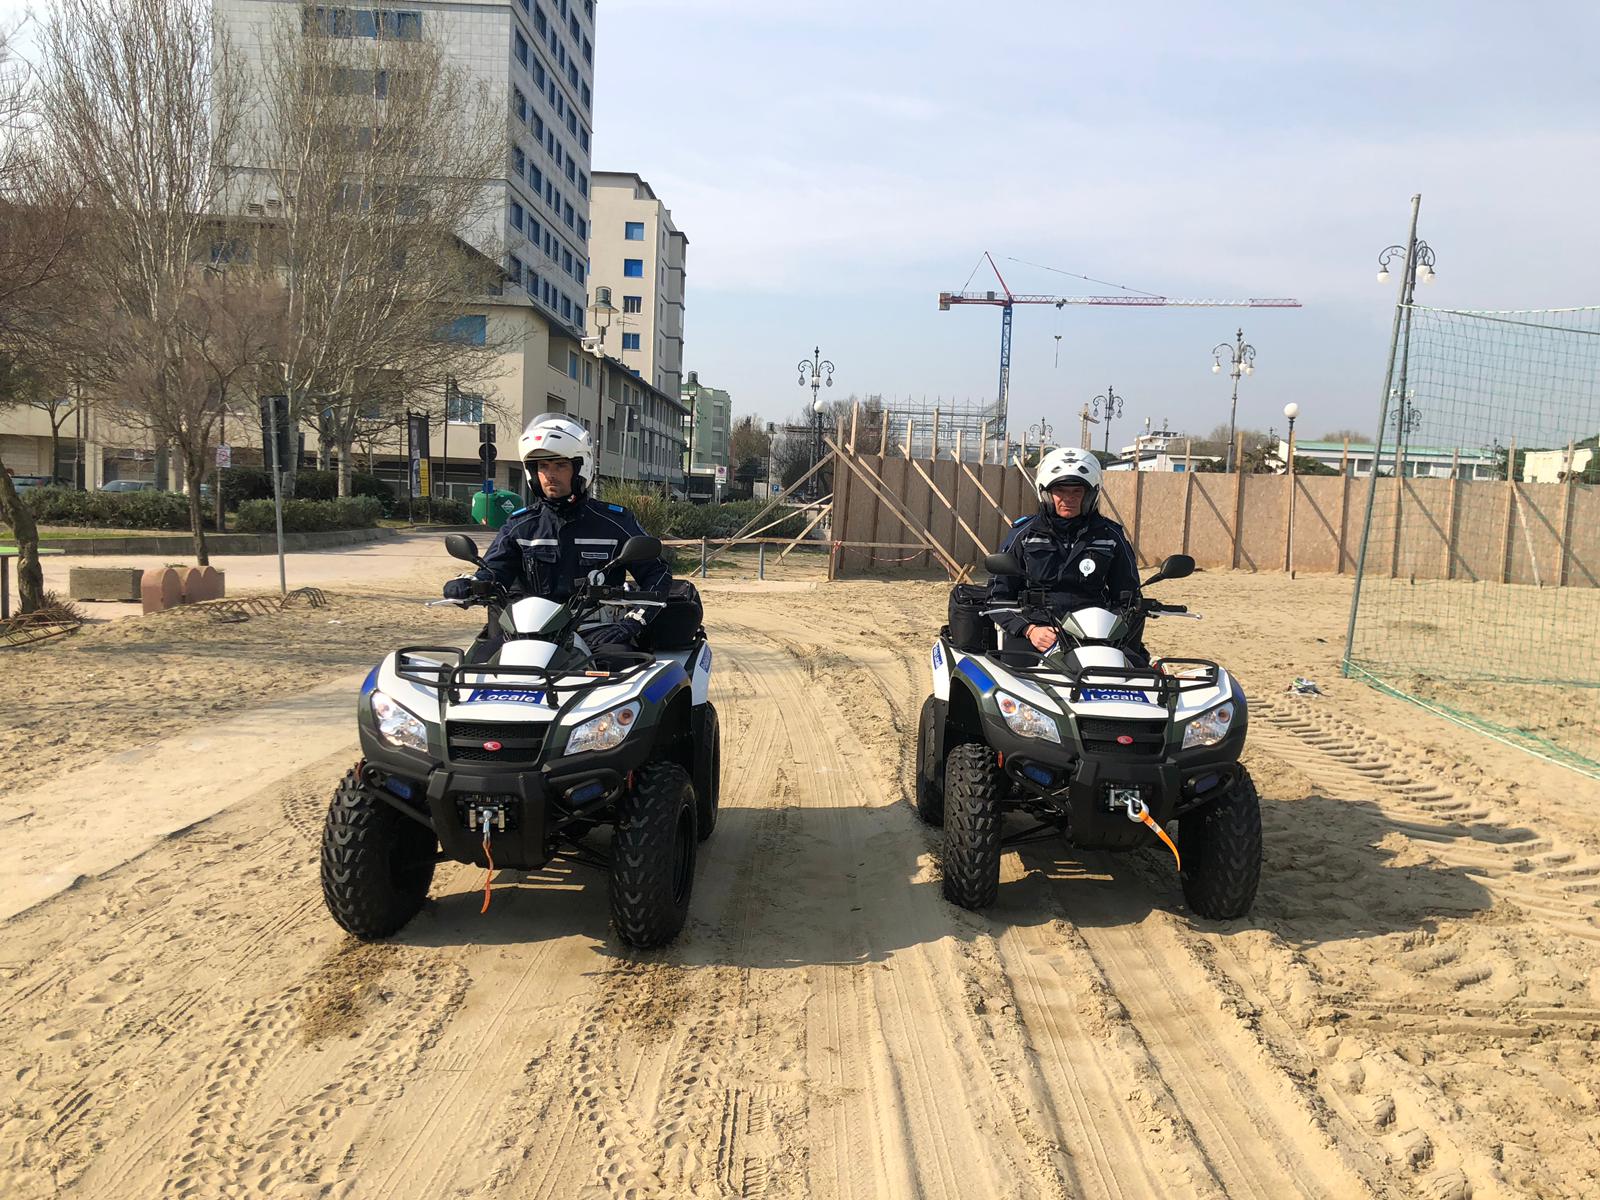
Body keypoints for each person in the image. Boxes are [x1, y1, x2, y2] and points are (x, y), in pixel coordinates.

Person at [443, 414, 671, 649]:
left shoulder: (615, 522)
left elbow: (658, 575)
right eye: (543, 466)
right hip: (529, 634)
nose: (550, 474)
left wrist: (632, 623)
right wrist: (472, 584)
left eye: (560, 465)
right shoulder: (520, 526)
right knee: (478, 670)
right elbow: (495, 572)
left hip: (596, 634)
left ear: (582, 467)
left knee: (619, 677)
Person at [989, 446, 1145, 659]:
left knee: (1136, 674)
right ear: (1045, 493)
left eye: (1076, 491)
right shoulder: (1024, 535)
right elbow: (997, 597)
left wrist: (1112, 629)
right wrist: (1029, 629)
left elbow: (1128, 597)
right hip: (1038, 632)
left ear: (1090, 494)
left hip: (1096, 634)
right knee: (1013, 684)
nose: (1068, 498)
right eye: (1060, 491)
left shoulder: (1110, 536)